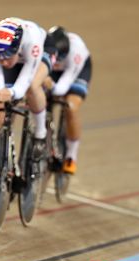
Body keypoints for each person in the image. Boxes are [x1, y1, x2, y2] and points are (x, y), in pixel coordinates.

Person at [0, 17, 55, 159]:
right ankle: (7, 152)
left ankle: (41, 134)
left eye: (7, 57)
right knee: (2, 109)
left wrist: (12, 92)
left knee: (32, 86)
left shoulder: (32, 41)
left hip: (42, 50)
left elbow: (24, 83)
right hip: (20, 56)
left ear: (16, 48)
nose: (3, 62)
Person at [45, 26, 92, 175]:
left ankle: (71, 155)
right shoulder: (43, 46)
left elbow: (61, 88)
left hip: (76, 72)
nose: (58, 61)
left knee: (70, 107)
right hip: (54, 71)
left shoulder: (76, 52)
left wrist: (50, 85)